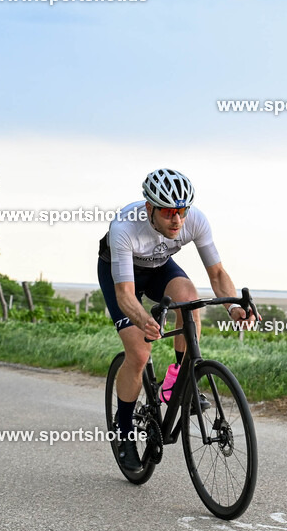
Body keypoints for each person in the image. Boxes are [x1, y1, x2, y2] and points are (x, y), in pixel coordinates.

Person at [98, 169, 256, 470]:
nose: (177, 220)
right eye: (169, 212)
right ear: (149, 208)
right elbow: (125, 295)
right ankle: (124, 429)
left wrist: (233, 308)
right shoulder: (125, 227)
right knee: (140, 352)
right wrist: (143, 320)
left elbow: (217, 274)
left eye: (182, 212)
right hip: (119, 274)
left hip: (159, 268)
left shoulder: (195, 220)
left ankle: (175, 381)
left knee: (189, 297)